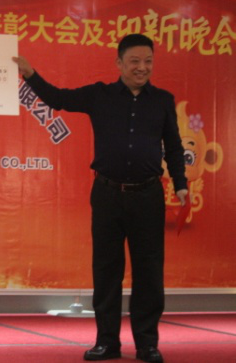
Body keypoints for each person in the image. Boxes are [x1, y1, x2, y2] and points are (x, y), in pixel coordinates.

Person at [13, 34, 188, 363]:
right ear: (119, 63)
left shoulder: (163, 100)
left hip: (148, 196)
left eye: (148, 61)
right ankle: (107, 342)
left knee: (149, 271)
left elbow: (174, 146)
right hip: (107, 194)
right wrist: (30, 74)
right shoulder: (99, 95)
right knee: (107, 271)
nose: (142, 67)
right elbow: (58, 98)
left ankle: (147, 344)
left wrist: (181, 184)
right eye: (134, 61)